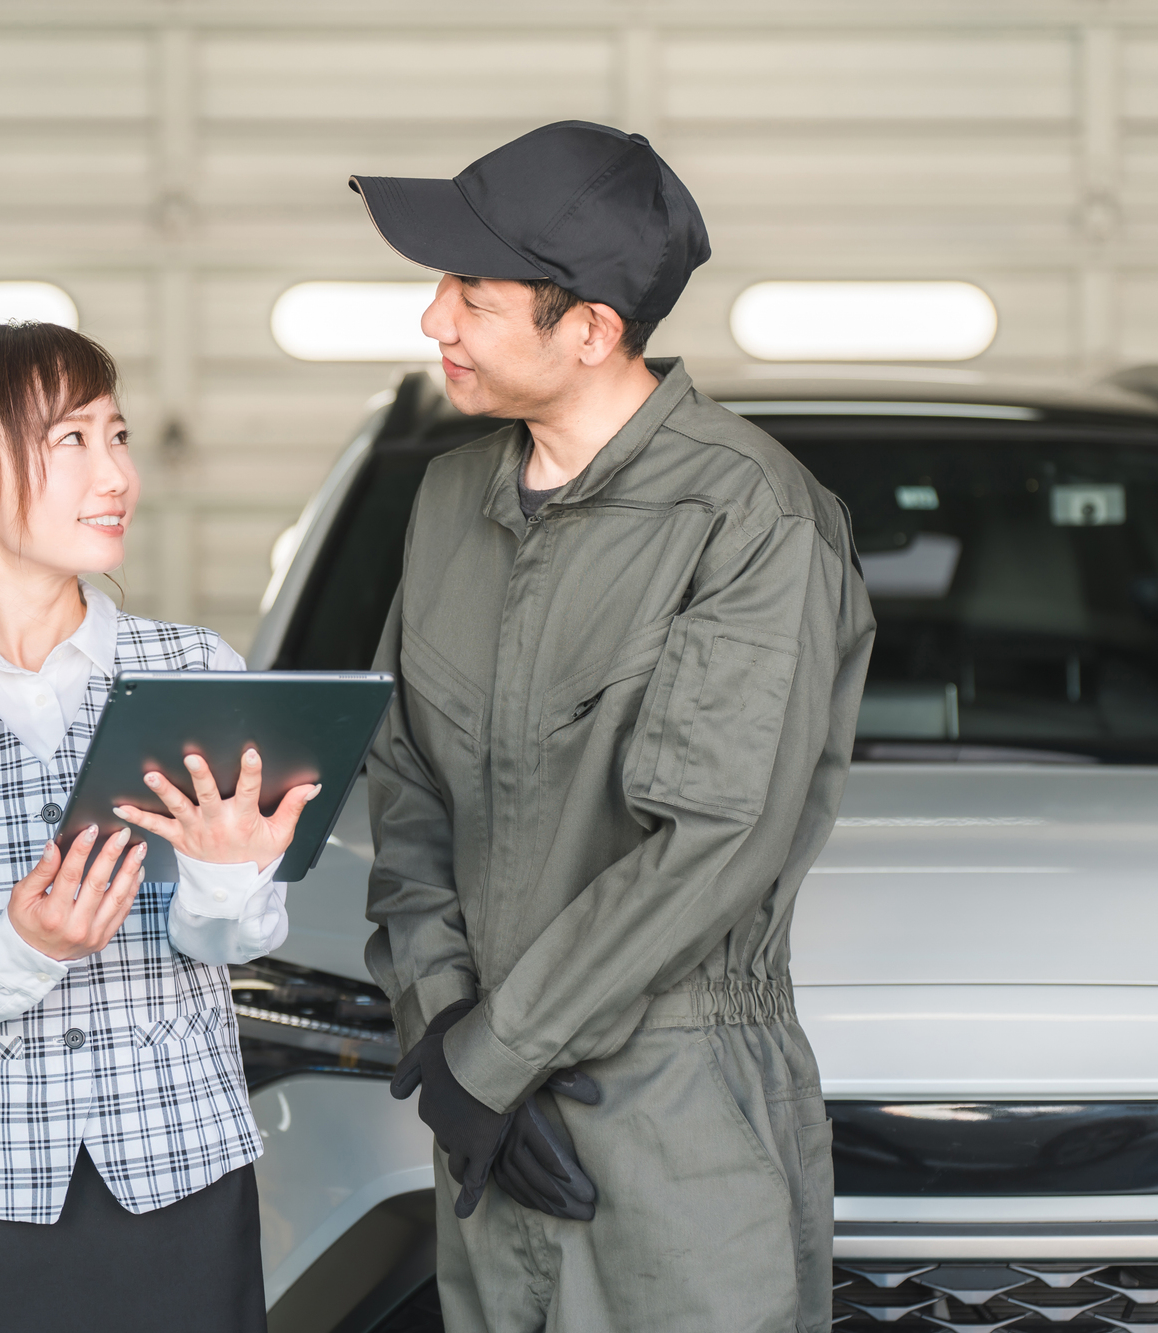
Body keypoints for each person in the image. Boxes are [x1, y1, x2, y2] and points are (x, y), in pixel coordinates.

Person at [353, 121, 876, 1332]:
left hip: (678, 1112)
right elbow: (405, 782)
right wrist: (445, 1038)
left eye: (472, 297)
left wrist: (495, 1059)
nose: (434, 321)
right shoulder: (446, 501)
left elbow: (709, 841)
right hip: (480, 1121)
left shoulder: (749, 522)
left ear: (588, 329)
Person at [0, 320, 312, 1331]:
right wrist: (19, 948)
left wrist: (223, 880)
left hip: (177, 1181)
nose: (114, 471)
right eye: (69, 441)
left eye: (114, 436)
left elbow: (242, 937)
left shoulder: (195, 670)